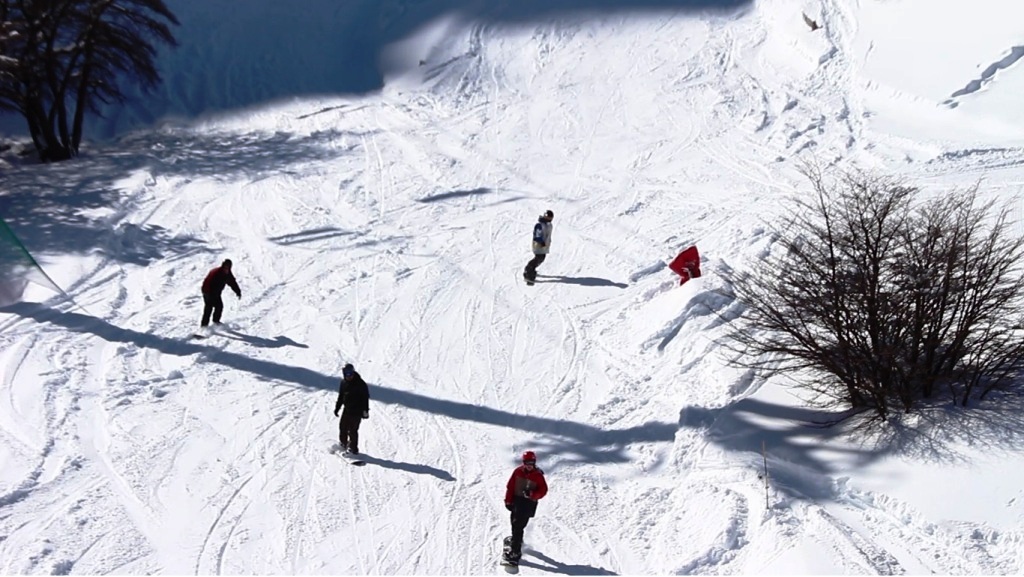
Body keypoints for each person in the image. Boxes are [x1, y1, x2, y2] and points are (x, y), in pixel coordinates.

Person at [503, 450, 548, 564]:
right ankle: (516, 541)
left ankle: (515, 552)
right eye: (527, 462)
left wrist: (532, 494)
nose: (529, 465)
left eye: (531, 462)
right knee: (514, 523)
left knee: (518, 526)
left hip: (528, 504)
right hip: (516, 501)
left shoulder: (538, 475)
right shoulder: (518, 472)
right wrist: (508, 501)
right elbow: (510, 487)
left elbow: (543, 490)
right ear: (523, 462)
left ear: (534, 462)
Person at [334, 363, 370, 454]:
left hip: (357, 411)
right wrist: (337, 408)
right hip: (347, 409)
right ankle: (343, 444)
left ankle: (353, 448)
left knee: (352, 430)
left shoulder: (361, 384)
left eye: (350, 373)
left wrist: (365, 411)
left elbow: (365, 398)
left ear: (353, 373)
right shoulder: (344, 383)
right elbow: (341, 396)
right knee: (343, 427)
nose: (349, 376)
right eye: (346, 374)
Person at [200, 259, 241, 327]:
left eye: (228, 267)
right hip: (208, 291)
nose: (226, 269)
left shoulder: (228, 273)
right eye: (225, 267)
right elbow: (208, 283)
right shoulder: (216, 273)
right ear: (223, 266)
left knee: (219, 306)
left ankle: (216, 322)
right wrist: (210, 295)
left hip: (216, 293)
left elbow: (232, 282)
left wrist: (238, 291)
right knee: (208, 308)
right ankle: (204, 326)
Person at [523, 210, 554, 283]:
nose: (550, 219)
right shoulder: (540, 225)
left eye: (551, 218)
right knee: (539, 258)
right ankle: (529, 269)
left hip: (544, 246)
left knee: (541, 258)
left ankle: (531, 268)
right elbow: (537, 235)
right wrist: (541, 242)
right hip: (538, 245)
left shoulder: (548, 225)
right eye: (548, 217)